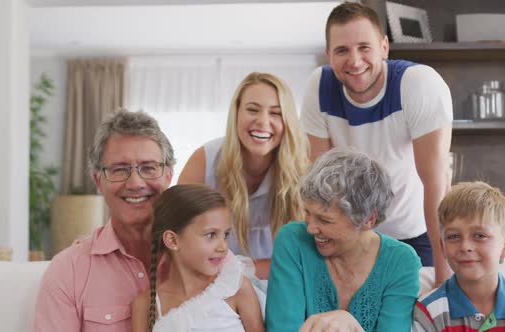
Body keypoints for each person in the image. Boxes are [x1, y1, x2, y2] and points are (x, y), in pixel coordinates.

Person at [300, 2, 453, 284]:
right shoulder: (318, 89)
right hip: (353, 235)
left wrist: (445, 274)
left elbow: (436, 183)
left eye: (364, 47)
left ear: (384, 46)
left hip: (416, 233)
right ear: (328, 55)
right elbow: (320, 186)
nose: (355, 61)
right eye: (342, 50)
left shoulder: (418, 84)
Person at [33, 110, 175, 331]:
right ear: (98, 181)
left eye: (149, 168)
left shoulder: (205, 255)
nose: (135, 182)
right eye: (120, 169)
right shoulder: (68, 271)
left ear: (168, 175)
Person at [266, 148, 421, 331]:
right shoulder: (292, 241)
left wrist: (351, 326)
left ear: (368, 219)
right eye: (307, 212)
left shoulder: (401, 262)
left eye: (325, 220)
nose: (310, 228)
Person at [178, 72, 310, 279]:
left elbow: (308, 259)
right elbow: (179, 243)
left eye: (276, 113)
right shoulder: (204, 160)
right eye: (252, 110)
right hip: (210, 283)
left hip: (279, 283)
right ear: (236, 113)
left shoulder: (302, 171)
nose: (263, 121)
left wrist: (241, 270)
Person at [412, 182, 505, 331]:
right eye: (453, 236)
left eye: (479, 235)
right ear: (442, 246)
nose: (465, 246)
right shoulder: (428, 312)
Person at [131, 184, 264, 332]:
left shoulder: (235, 287)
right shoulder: (146, 305)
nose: (223, 247)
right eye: (210, 235)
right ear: (173, 240)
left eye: (225, 235)